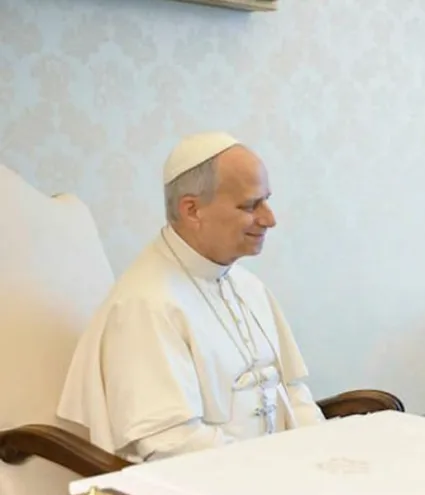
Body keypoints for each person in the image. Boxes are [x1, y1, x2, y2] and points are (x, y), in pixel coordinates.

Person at [57, 132, 324, 462]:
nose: (270, 219)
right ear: (192, 209)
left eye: (266, 200)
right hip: (209, 491)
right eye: (251, 205)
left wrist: (322, 456)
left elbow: (293, 393)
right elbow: (170, 442)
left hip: (276, 478)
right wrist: (270, 471)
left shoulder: (248, 286)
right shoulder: (146, 304)